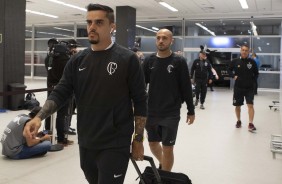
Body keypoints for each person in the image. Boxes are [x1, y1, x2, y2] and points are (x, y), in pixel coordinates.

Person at [24, 3, 147, 184]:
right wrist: (38, 117)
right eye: (89, 22)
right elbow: (61, 91)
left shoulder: (127, 59)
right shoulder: (77, 60)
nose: (92, 27)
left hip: (115, 142)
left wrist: (138, 139)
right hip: (87, 140)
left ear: (112, 26)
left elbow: (140, 101)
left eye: (98, 22)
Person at [143, 28, 195, 172]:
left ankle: (166, 177)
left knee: (168, 147)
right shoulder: (149, 61)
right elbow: (141, 86)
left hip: (171, 112)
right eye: (158, 37)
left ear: (171, 41)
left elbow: (186, 87)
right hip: (151, 111)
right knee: (153, 144)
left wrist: (191, 110)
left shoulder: (179, 61)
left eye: (165, 38)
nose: (161, 40)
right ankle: (163, 164)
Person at [44, 38, 75, 145]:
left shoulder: (48, 59)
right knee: (62, 114)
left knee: (48, 112)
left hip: (50, 87)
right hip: (62, 89)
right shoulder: (66, 61)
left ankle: (47, 135)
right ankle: (61, 139)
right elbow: (70, 74)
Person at [229, 44, 259, 132]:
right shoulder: (235, 61)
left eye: (246, 50)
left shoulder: (252, 62)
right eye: (243, 50)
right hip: (238, 88)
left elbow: (256, 73)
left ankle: (250, 123)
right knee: (237, 106)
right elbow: (229, 69)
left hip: (249, 88)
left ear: (249, 52)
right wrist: (233, 76)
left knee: (250, 105)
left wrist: (252, 81)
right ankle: (238, 121)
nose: (244, 52)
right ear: (240, 51)